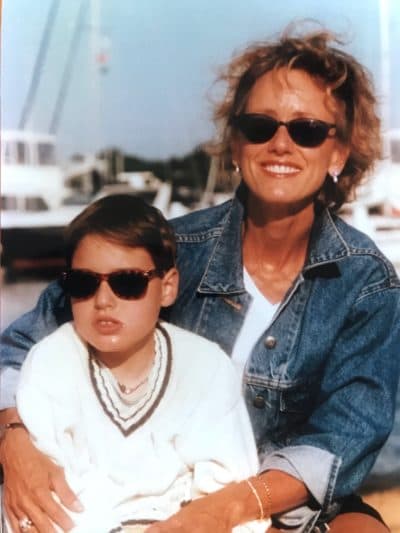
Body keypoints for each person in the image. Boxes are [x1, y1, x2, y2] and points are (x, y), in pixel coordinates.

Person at [1, 23, 400, 533]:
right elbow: (18, 347)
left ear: (338, 153)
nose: (281, 144)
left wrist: (230, 508)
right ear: (236, 145)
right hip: (158, 491)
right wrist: (13, 437)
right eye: (260, 126)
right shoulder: (169, 252)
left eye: (306, 130)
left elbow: (344, 436)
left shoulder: (366, 282)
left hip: (285, 503)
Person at [1, 194, 270, 533]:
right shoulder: (51, 364)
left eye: (127, 283)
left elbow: (228, 490)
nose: (103, 301)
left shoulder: (206, 368)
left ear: (168, 287)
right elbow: (41, 501)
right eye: (83, 283)